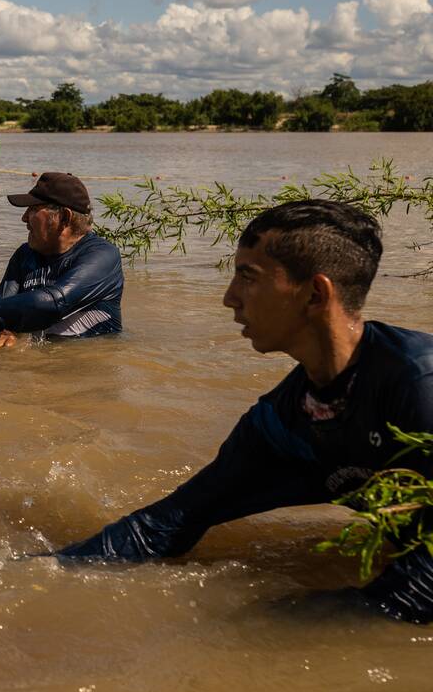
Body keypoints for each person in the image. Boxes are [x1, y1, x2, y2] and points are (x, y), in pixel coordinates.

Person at [58, 200, 433, 624]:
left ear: (315, 294)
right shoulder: (283, 420)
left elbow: (424, 586)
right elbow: (167, 524)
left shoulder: (419, 386)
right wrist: (43, 574)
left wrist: (268, 627)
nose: (229, 298)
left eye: (247, 277)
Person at [0, 172, 124, 348]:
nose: (24, 217)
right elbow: (1, 308)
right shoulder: (25, 254)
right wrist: (12, 331)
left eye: (33, 209)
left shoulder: (103, 257)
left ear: (64, 217)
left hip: (84, 369)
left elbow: (54, 301)